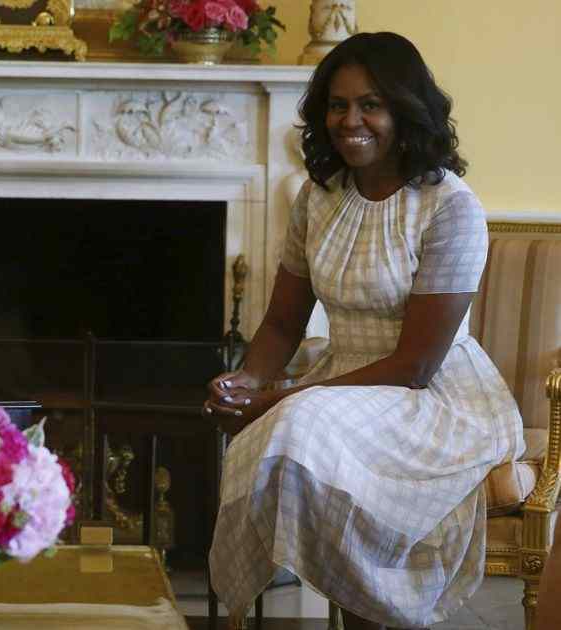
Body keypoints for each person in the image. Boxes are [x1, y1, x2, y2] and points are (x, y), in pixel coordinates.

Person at [203, 32, 525, 630]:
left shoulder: (450, 206)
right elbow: (282, 322)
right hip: (342, 382)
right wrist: (246, 380)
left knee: (299, 424)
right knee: (293, 428)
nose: (350, 120)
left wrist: (276, 401)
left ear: (405, 110)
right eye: (338, 105)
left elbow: (415, 365)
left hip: (430, 397)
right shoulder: (317, 197)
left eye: (370, 104)